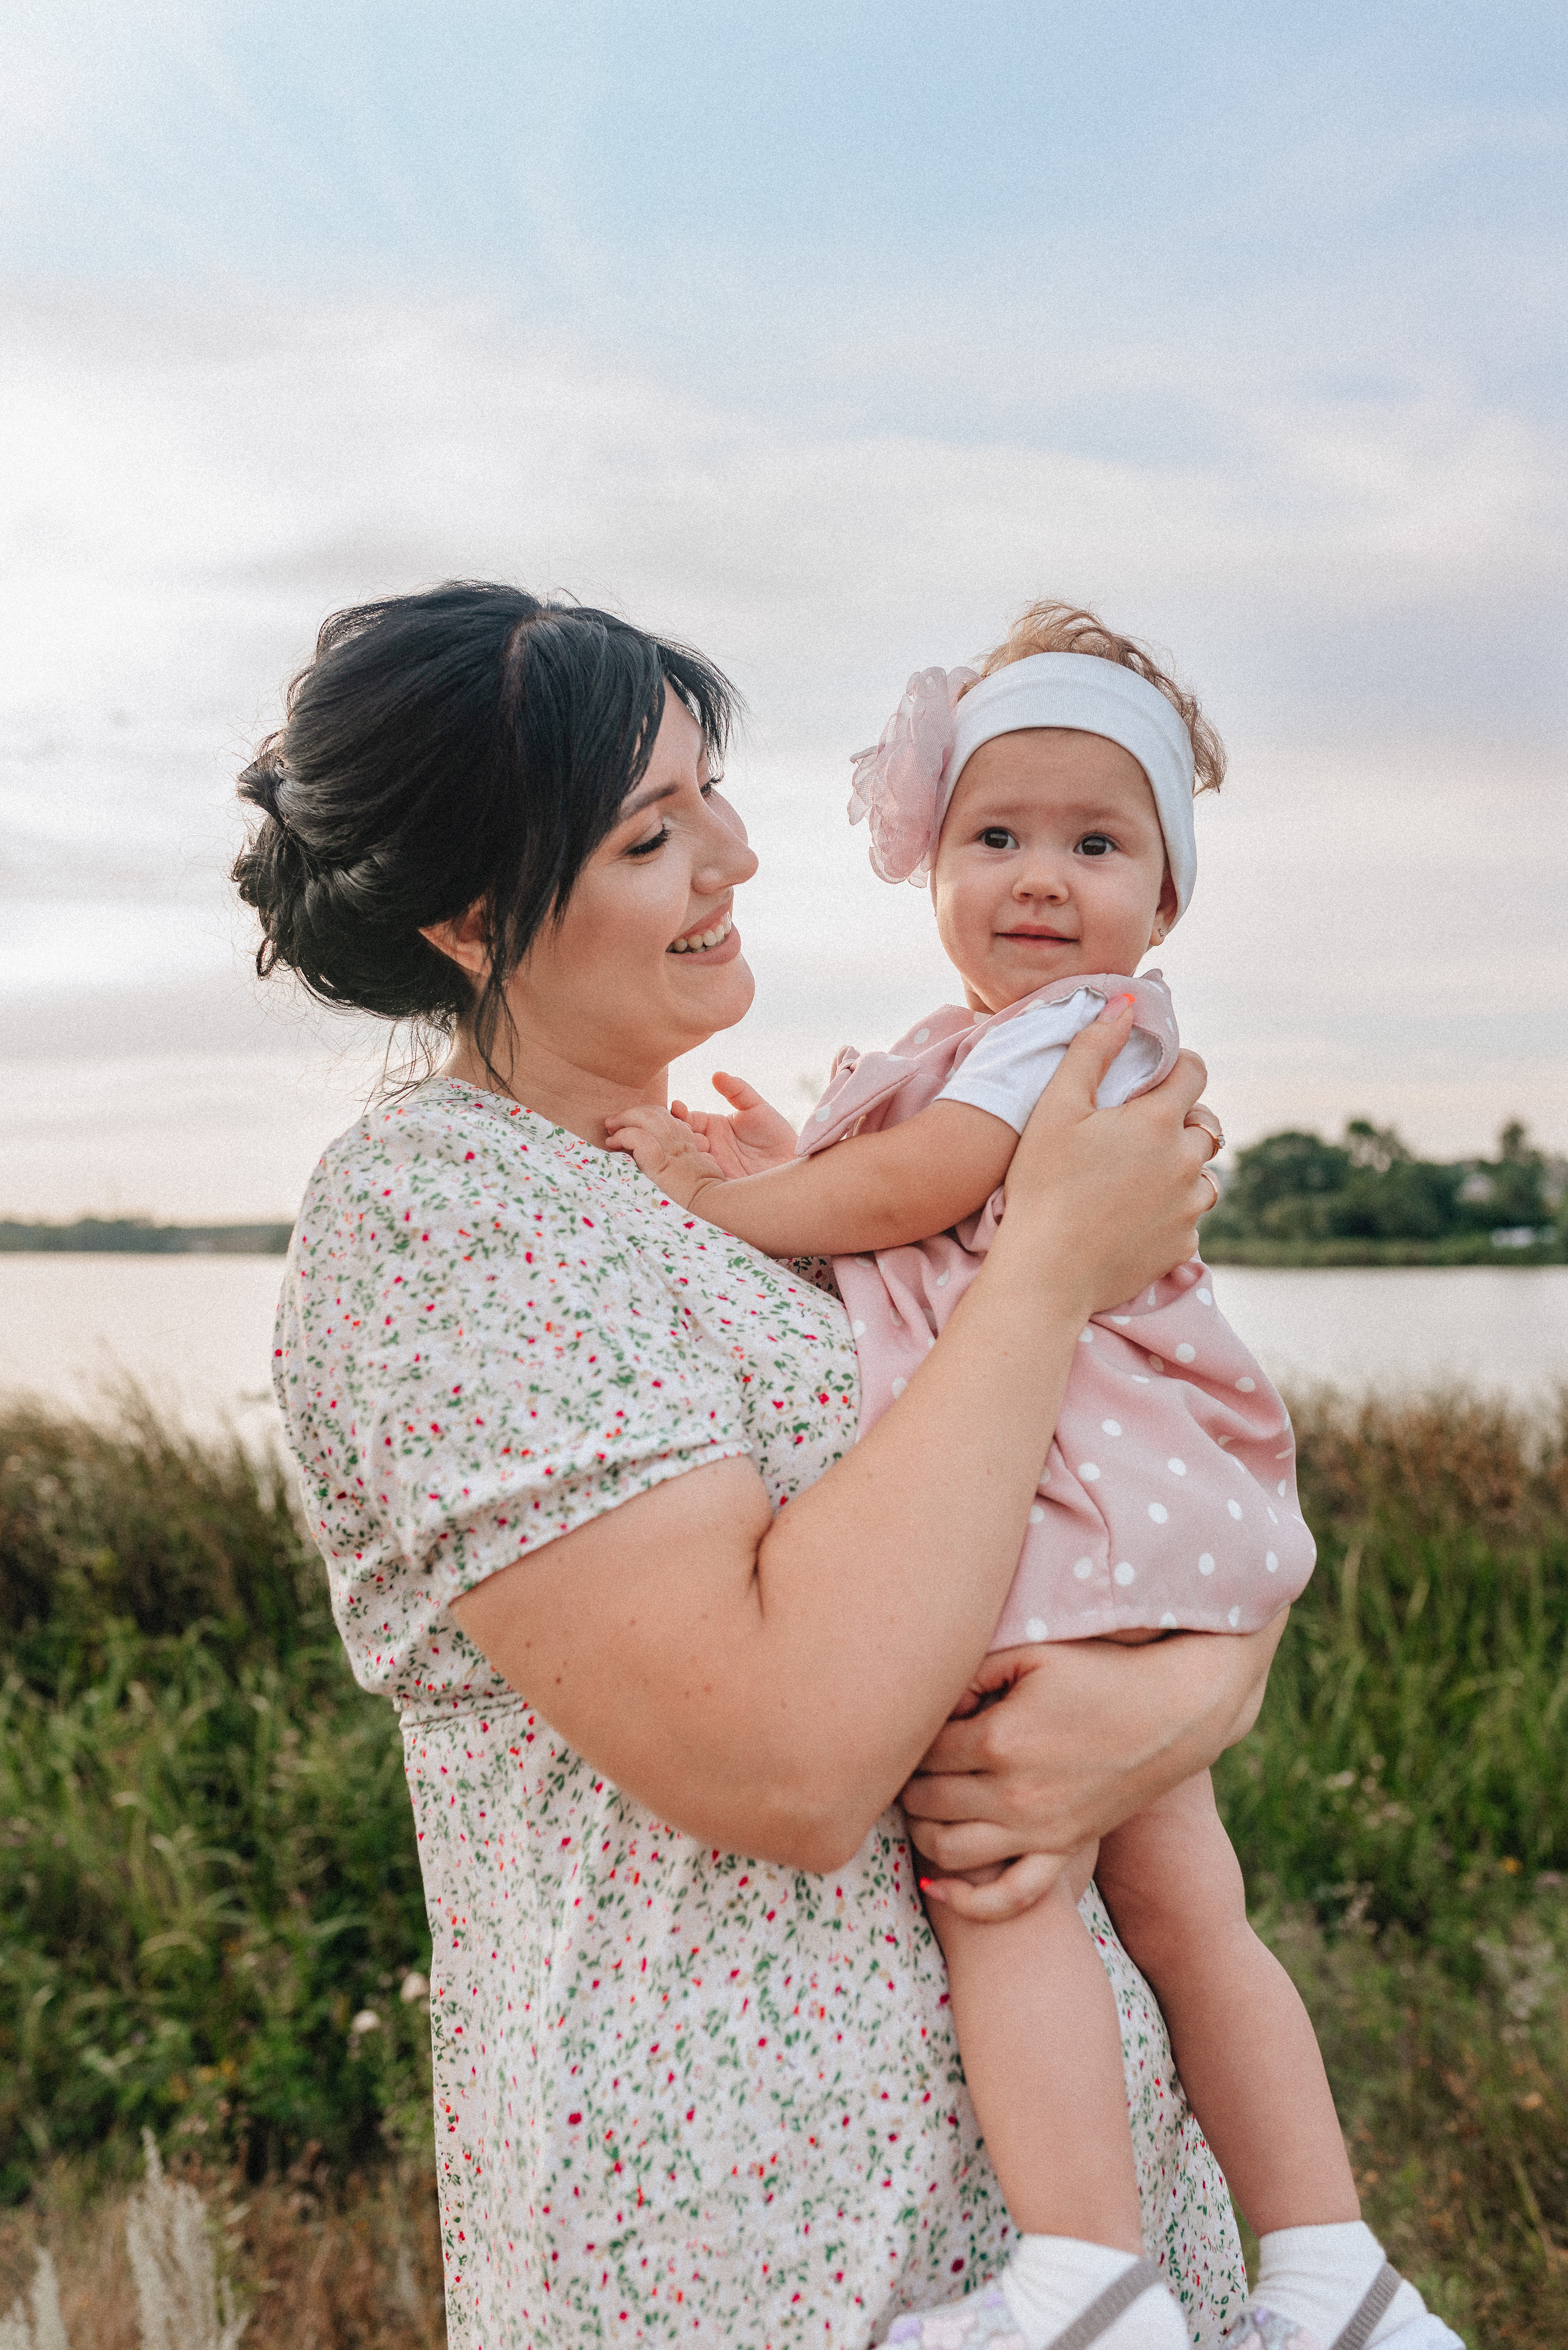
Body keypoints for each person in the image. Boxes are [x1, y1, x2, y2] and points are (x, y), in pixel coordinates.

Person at [236, 581, 1286, 2350]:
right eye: (653, 834)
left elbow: (1113, 1508)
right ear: (476, 922)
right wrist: (1049, 1261)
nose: (733, 857)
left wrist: (1187, 1699)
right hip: (763, 2237)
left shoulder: (741, 1191)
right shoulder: (439, 1216)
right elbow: (790, 1762)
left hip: (1076, 2228)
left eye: (711, 794)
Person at [602, 604, 1459, 2350]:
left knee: (1004, 1881)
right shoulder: (1007, 1042)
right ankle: (1335, 2277)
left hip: (1064, 1503)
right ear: (933, 864)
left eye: (1097, 844)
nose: (1041, 878)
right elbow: (916, 1194)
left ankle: (1085, 2280)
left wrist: (723, 1198)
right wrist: (794, 1150)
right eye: (996, 836)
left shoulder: (1073, 1039)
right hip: (1134, 1505)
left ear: (1168, 892)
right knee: (1192, 1910)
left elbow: (917, 1197)